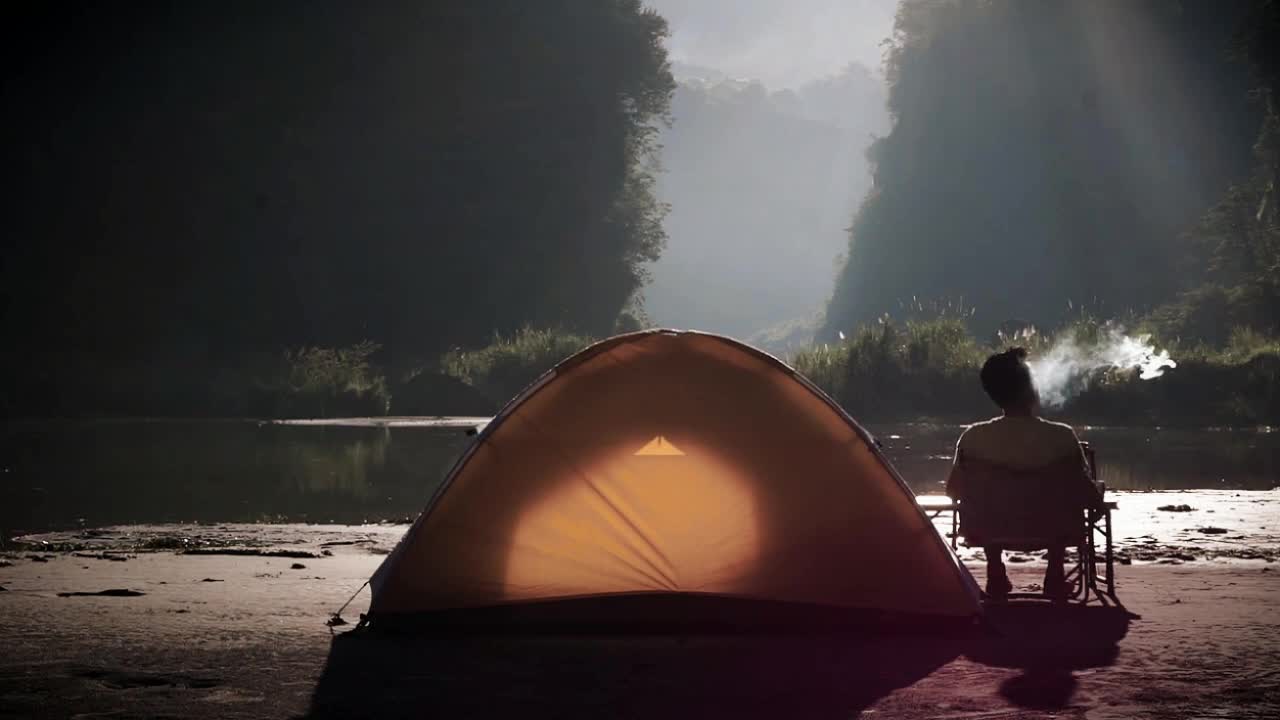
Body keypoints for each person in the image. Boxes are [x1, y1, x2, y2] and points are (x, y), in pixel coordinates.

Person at [948, 347, 1098, 600]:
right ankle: (1054, 573)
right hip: (1053, 527)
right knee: (1066, 504)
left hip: (988, 528)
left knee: (991, 507)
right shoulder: (1061, 436)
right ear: (1030, 390)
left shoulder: (972, 437)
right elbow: (1086, 494)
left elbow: (953, 490)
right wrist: (1097, 494)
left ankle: (995, 571)